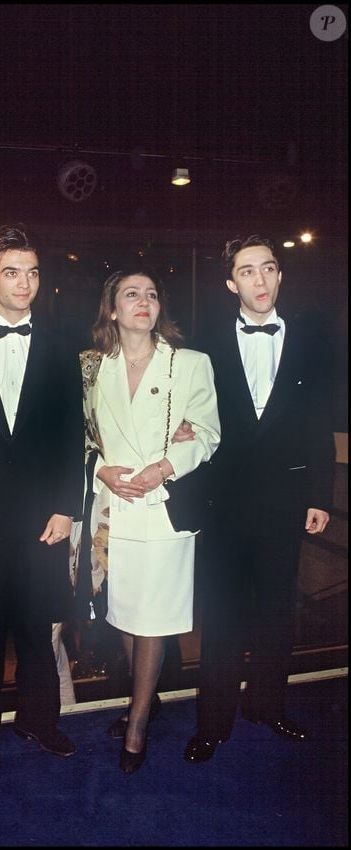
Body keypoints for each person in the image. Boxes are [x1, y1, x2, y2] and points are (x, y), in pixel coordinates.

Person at [183, 235, 336, 764]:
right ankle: (213, 722)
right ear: (232, 284)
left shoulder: (313, 339)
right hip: (223, 502)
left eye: (268, 268)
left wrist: (320, 493)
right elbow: (192, 416)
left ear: (280, 275)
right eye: (247, 272)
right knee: (222, 614)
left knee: (276, 610)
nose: (261, 280)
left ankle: (267, 706)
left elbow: (318, 421)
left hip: (285, 498)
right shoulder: (204, 344)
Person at [77, 265, 220, 773]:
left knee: (153, 619)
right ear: (112, 308)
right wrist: (103, 472)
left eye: (152, 294)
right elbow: (82, 439)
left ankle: (137, 722)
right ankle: (148, 698)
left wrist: (164, 467)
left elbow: (207, 434)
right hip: (113, 511)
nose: (143, 301)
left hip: (162, 510)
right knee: (123, 612)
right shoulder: (91, 367)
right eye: (131, 294)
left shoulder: (190, 363)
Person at [0, 223, 84, 778]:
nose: (25, 283)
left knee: (38, 629)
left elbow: (69, 432)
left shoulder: (60, 344)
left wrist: (65, 505)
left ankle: (40, 721)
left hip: (41, 519)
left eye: (32, 272)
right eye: (12, 272)